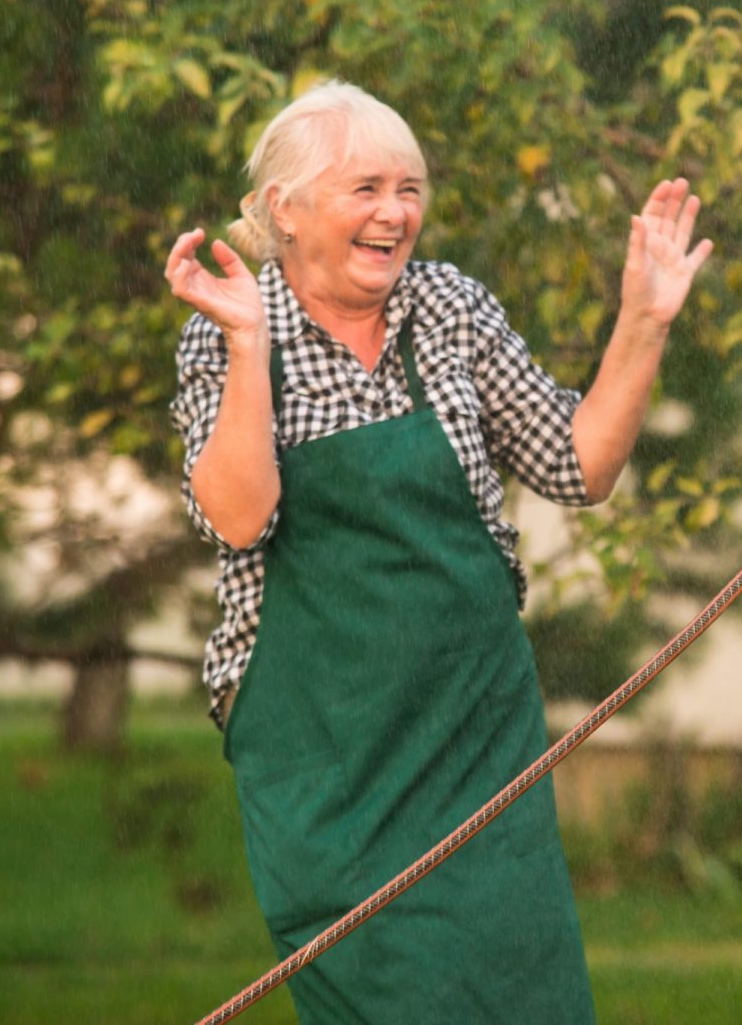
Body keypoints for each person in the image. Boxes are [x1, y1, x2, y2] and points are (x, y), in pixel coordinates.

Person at [165, 81, 710, 1025]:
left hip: (474, 748)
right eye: (366, 188)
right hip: (329, 770)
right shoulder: (228, 329)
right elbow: (239, 518)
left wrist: (644, 321)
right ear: (285, 212)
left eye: (409, 188)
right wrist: (249, 344)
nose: (396, 213)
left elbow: (578, 467)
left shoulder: (448, 308)